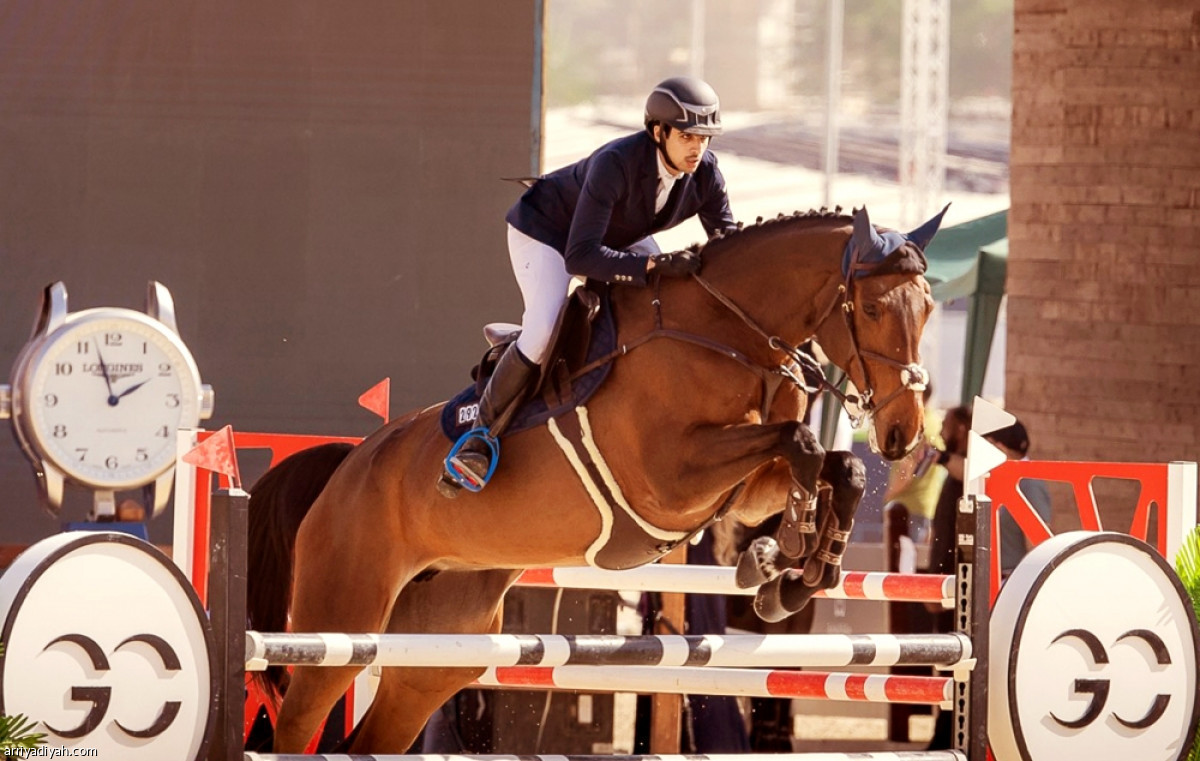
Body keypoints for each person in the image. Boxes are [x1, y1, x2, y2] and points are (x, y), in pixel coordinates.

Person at [441, 77, 738, 496]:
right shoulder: (616, 163)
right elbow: (580, 257)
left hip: (615, 237)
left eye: (704, 138)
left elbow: (730, 246)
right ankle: (480, 435)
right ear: (658, 131)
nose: (697, 148)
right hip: (547, 233)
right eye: (687, 136)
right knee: (543, 329)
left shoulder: (706, 174)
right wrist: (652, 263)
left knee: (661, 300)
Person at [923, 404, 971, 751]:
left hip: (961, 584)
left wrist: (935, 456)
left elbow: (962, 468)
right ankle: (943, 734)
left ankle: (949, 737)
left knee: (956, 663)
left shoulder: (972, 470)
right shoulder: (956, 469)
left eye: (949, 426)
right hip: (946, 581)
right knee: (945, 663)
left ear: (965, 429)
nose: (942, 431)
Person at [985, 419, 1052, 576]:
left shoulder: (1029, 484)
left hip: (1010, 579)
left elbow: (1038, 545)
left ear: (999, 448)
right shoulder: (1001, 478)